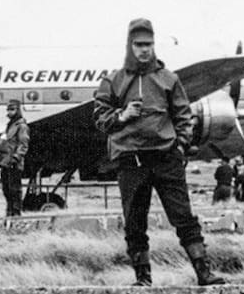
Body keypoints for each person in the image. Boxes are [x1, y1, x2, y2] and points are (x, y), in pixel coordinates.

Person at [94, 18, 225, 286]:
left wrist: (180, 146)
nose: (144, 50)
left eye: (149, 44)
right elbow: (100, 118)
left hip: (166, 160)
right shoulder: (113, 81)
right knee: (134, 223)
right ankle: (143, 279)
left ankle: (204, 273)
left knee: (184, 218)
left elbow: (183, 116)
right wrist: (122, 115)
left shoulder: (169, 79)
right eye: (139, 44)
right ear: (130, 46)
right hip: (131, 162)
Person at [0, 99, 28, 217]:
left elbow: (23, 144)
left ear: (18, 110)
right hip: (6, 162)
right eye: (8, 109)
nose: (10, 112)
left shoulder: (21, 126)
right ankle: (9, 212)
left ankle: (16, 214)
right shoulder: (10, 125)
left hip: (14, 163)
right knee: (7, 190)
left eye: (12, 109)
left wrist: (16, 158)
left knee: (14, 190)